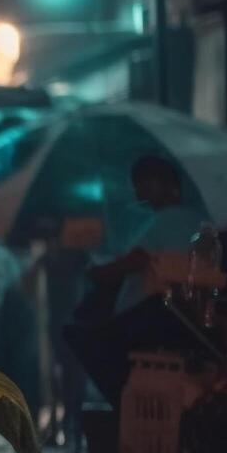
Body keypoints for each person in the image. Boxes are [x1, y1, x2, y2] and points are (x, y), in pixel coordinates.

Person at [62, 154, 211, 402]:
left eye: (145, 183)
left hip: (151, 322)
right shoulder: (199, 222)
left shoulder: (164, 221)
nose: (139, 191)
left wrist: (93, 270)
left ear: (167, 185)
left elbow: (127, 265)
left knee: (79, 335)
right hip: (189, 323)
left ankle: (120, 404)